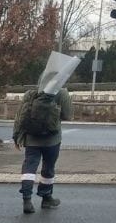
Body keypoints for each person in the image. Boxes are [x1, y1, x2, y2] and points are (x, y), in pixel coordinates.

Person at [13, 80, 73, 213]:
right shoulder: (61, 93)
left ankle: (27, 200)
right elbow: (68, 115)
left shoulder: (31, 93)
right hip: (52, 139)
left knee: (29, 167)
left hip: (32, 139)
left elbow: (19, 117)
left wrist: (16, 136)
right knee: (48, 167)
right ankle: (46, 198)